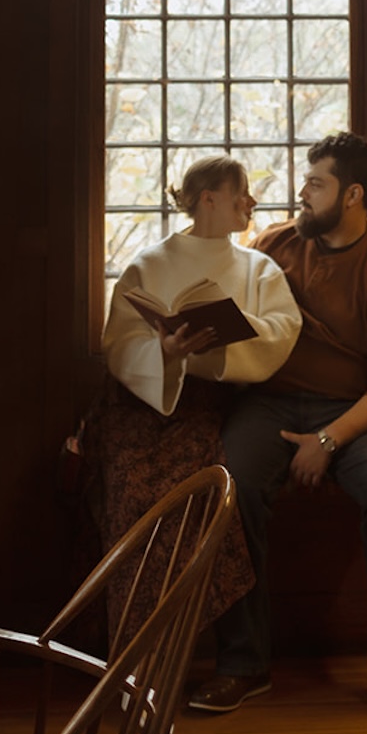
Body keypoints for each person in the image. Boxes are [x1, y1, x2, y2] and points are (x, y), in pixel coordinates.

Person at [187, 131, 367, 723]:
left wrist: (329, 440)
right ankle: (242, 665)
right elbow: (226, 305)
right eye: (305, 180)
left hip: (355, 412)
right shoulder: (275, 246)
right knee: (229, 484)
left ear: (351, 195)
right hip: (270, 405)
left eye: (316, 183)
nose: (301, 192)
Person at [87, 155, 302, 641]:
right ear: (209, 199)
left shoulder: (258, 269)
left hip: (211, 408)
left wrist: (217, 346)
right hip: (139, 407)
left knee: (196, 498)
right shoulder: (148, 264)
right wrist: (163, 353)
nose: (251, 202)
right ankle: (134, 652)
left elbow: (281, 330)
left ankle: (179, 645)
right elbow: (119, 342)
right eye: (240, 194)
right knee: (131, 492)